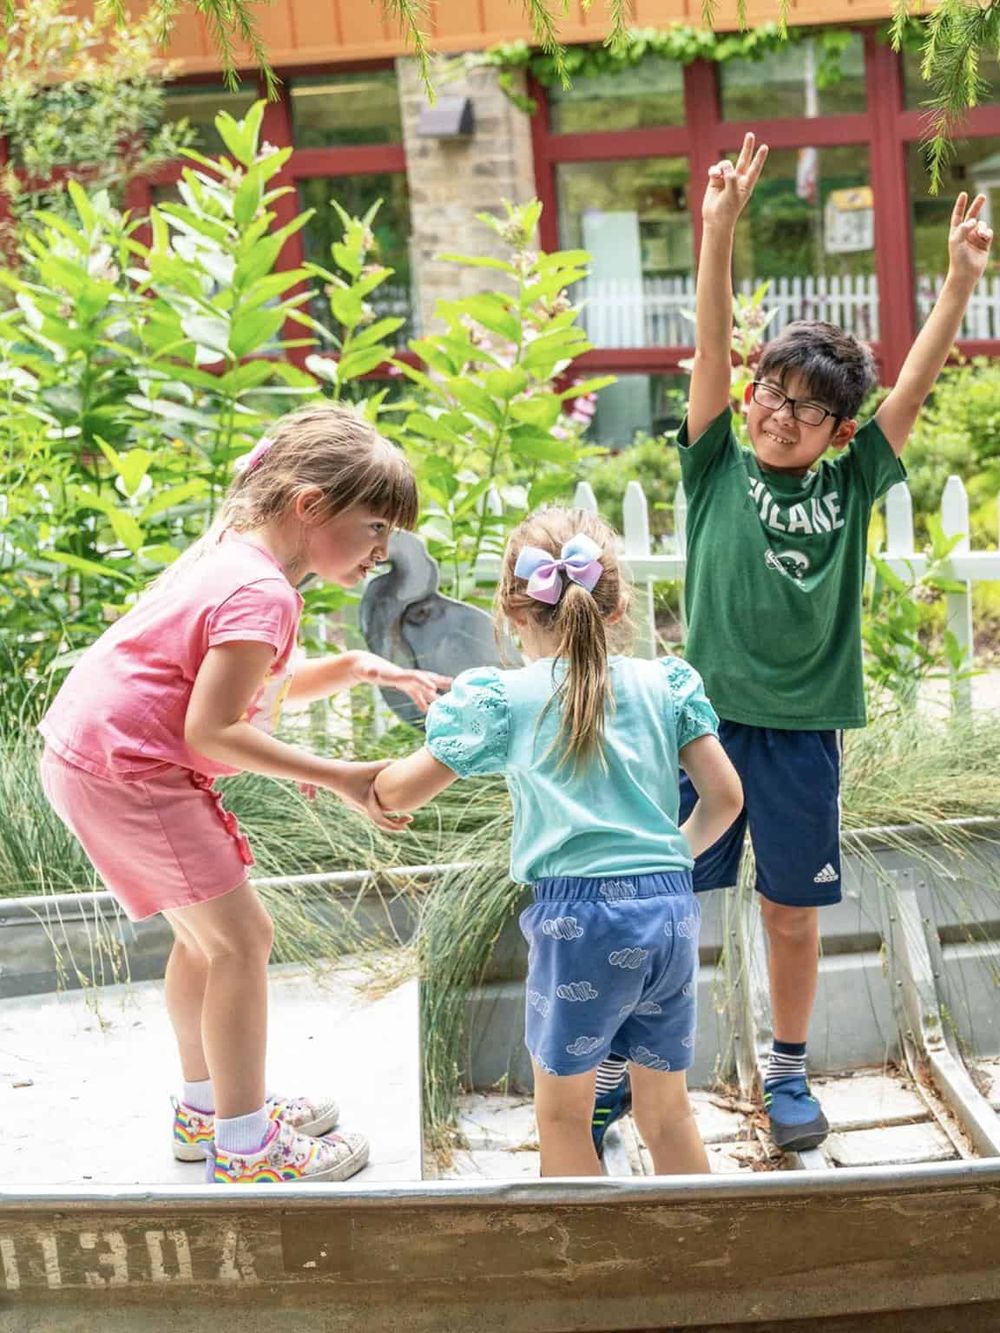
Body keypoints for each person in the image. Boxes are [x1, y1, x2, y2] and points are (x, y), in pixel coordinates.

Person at [593, 131, 995, 1154]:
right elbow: (716, 333)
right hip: (702, 727)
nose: (779, 414)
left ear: (837, 431)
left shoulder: (856, 476)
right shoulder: (715, 458)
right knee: (666, 900)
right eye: (772, 392)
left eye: (808, 409)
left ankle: (785, 1070)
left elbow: (911, 383)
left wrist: (954, 285)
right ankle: (622, 1065)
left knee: (788, 911)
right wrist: (716, 230)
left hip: (802, 732)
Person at [39, 404, 450, 1184]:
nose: (382, 554)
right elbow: (213, 729)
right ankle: (247, 1145)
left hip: (93, 756)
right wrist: (347, 778)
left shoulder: (234, 557)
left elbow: (237, 688)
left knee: (206, 941)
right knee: (241, 940)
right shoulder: (265, 594)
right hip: (132, 770)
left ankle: (209, 1109)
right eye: (374, 530)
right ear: (309, 507)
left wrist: (363, 667)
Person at [371, 507, 743, 1176]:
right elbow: (726, 799)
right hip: (669, 910)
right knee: (668, 1112)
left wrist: (367, 781)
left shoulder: (505, 698)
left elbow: (399, 792)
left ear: (514, 614)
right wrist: (663, 864)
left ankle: (594, 1275)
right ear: (619, 599)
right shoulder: (666, 684)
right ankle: (702, 1263)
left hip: (579, 925)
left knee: (564, 1117)